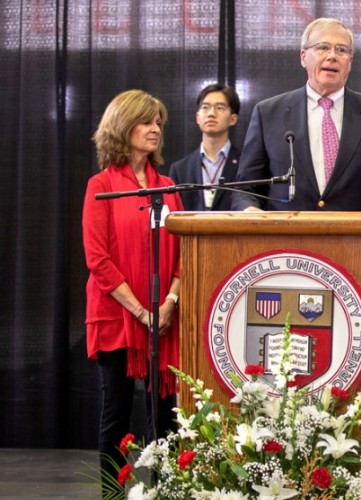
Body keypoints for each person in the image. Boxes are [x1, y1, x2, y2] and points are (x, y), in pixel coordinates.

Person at [82, 90, 183, 492]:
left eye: (158, 121)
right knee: (116, 413)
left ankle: (166, 488)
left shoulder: (169, 185)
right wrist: (143, 312)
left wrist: (169, 303)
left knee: (165, 415)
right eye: (146, 121)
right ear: (123, 128)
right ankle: (112, 491)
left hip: (165, 316)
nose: (155, 128)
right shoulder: (101, 185)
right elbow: (98, 260)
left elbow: (182, 258)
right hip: (117, 317)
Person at [231, 17, 361, 214]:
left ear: (350, 62)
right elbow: (246, 188)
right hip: (288, 239)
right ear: (303, 57)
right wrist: (249, 210)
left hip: (355, 241)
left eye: (342, 50)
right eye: (323, 47)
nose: (332, 56)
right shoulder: (268, 114)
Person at [168, 83, 242, 211]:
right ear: (197, 118)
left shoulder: (245, 164)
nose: (211, 114)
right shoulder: (180, 169)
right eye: (205, 107)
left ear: (233, 119)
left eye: (220, 108)